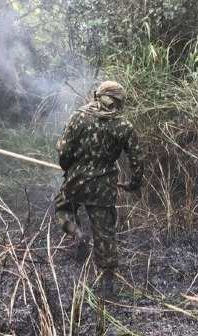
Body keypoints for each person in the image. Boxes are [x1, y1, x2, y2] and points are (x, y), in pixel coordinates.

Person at [54, 80, 143, 296]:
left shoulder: (78, 117)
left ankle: (76, 233)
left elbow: (63, 152)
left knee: (63, 209)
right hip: (104, 187)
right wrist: (134, 184)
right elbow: (137, 160)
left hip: (76, 182)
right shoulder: (124, 126)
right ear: (119, 101)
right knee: (105, 234)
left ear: (98, 95)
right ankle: (107, 283)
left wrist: (70, 169)